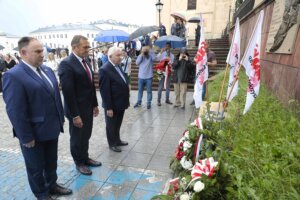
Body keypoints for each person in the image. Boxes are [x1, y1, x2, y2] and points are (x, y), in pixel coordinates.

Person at [2, 37, 72, 200]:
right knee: (35, 167)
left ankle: (52, 184)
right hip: (33, 133)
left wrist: (60, 118)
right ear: (23, 53)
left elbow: (55, 96)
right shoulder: (14, 75)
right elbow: (15, 111)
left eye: (43, 50)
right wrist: (26, 136)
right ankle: (41, 193)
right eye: (38, 51)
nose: (43, 54)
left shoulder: (47, 70)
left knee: (51, 162)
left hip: (51, 127)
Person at [59, 35, 101, 176]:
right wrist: (75, 115)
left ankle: (85, 157)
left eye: (88, 46)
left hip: (87, 108)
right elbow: (68, 93)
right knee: (77, 138)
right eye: (85, 47)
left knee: (86, 135)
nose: (88, 49)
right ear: (74, 47)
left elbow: (90, 86)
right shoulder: (67, 64)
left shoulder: (86, 61)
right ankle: (79, 163)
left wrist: (94, 105)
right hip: (76, 110)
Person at [99, 46, 130, 153]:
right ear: (110, 56)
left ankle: (117, 140)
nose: (120, 57)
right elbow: (104, 91)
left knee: (118, 123)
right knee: (111, 125)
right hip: (112, 104)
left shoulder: (118, 66)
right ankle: (112, 143)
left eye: (121, 55)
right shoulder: (105, 69)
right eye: (118, 55)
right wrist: (109, 107)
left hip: (121, 102)